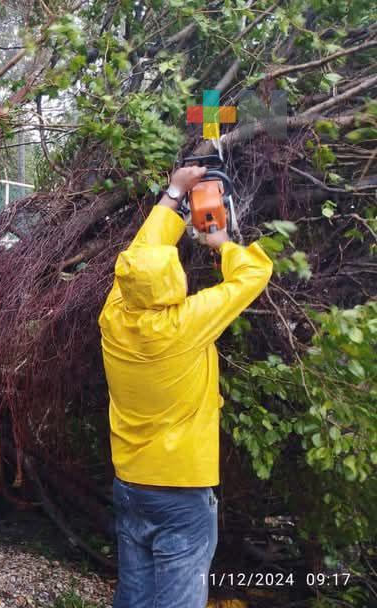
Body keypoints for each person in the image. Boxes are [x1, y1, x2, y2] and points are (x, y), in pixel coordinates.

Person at [99, 165, 273, 607]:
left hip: (130, 483)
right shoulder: (185, 323)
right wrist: (222, 242)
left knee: (135, 595)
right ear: (173, 282)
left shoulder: (114, 317)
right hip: (180, 492)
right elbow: (252, 277)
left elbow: (140, 255)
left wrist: (174, 193)